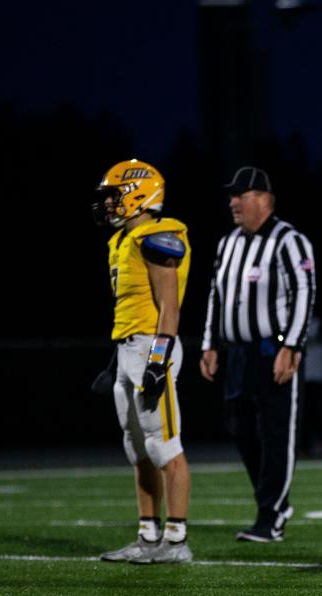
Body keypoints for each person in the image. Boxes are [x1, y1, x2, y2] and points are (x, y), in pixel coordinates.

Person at [200, 166, 315, 542]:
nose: (232, 202)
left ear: (263, 200)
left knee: (275, 433)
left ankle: (272, 514)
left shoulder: (288, 240)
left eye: (240, 195)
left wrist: (292, 345)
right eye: (231, 195)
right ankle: (271, 504)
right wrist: (210, 344)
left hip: (272, 349)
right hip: (237, 352)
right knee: (240, 429)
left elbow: (304, 292)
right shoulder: (227, 243)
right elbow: (216, 296)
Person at [92, 159, 193, 564]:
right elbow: (129, 310)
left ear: (139, 193)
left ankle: (176, 540)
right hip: (127, 350)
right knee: (136, 447)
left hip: (155, 347)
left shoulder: (158, 235)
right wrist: (113, 361)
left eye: (115, 196)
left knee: (164, 445)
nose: (109, 204)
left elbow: (169, 308)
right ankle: (147, 536)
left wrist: (156, 362)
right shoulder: (122, 242)